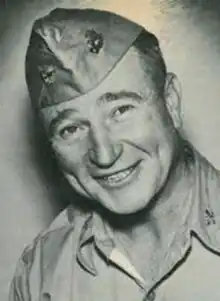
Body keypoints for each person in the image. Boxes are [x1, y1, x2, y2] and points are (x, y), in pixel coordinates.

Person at [9, 8, 220, 301]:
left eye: (121, 110)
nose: (105, 155)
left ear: (171, 101)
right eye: (71, 129)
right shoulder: (41, 273)